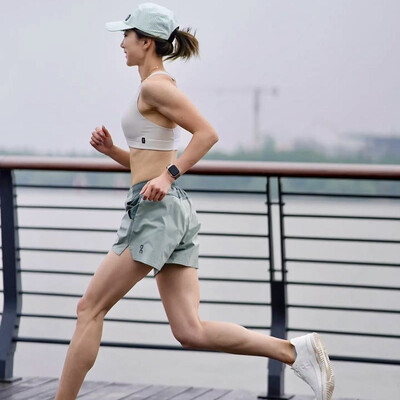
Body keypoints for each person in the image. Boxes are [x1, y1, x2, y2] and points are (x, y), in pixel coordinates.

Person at [54, 3, 335, 400]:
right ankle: (293, 352)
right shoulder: (155, 87)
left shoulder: (155, 87)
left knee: (89, 308)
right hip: (169, 210)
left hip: (156, 212)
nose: (121, 43)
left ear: (146, 42)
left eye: (126, 36)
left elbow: (206, 134)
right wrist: (113, 151)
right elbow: (149, 163)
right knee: (190, 330)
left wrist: (169, 176)